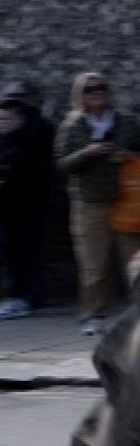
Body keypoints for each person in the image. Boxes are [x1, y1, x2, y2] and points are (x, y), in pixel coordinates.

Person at [54, 72, 140, 335]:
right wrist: (87, 153)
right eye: (89, 89)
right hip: (90, 202)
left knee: (136, 260)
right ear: (80, 95)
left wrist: (128, 156)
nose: (96, 92)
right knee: (93, 264)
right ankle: (94, 315)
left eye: (101, 88)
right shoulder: (72, 126)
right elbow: (62, 163)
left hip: (128, 201)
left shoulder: (128, 122)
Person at [0, 83, 55, 319]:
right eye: (9, 97)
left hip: (30, 203)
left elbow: (35, 168)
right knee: (10, 251)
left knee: (27, 251)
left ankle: (25, 296)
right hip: (6, 205)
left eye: (19, 97)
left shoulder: (39, 129)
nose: (14, 102)